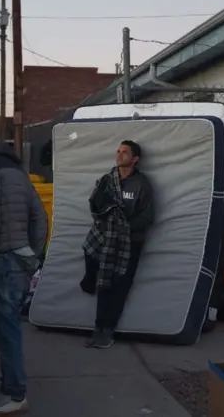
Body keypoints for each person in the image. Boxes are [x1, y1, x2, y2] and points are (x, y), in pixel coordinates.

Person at [0, 134, 48, 415]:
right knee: (8, 325)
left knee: (5, 329)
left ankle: (15, 393)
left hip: (0, 261)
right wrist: (32, 255)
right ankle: (7, 389)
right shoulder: (18, 171)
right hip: (20, 258)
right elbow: (40, 216)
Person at [80, 140, 155, 349]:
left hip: (129, 243)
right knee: (103, 283)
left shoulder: (142, 184)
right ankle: (98, 328)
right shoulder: (107, 180)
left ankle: (108, 331)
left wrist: (125, 228)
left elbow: (148, 216)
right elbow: (95, 207)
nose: (119, 154)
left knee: (119, 287)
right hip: (105, 239)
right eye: (118, 151)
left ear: (135, 159)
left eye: (125, 152)